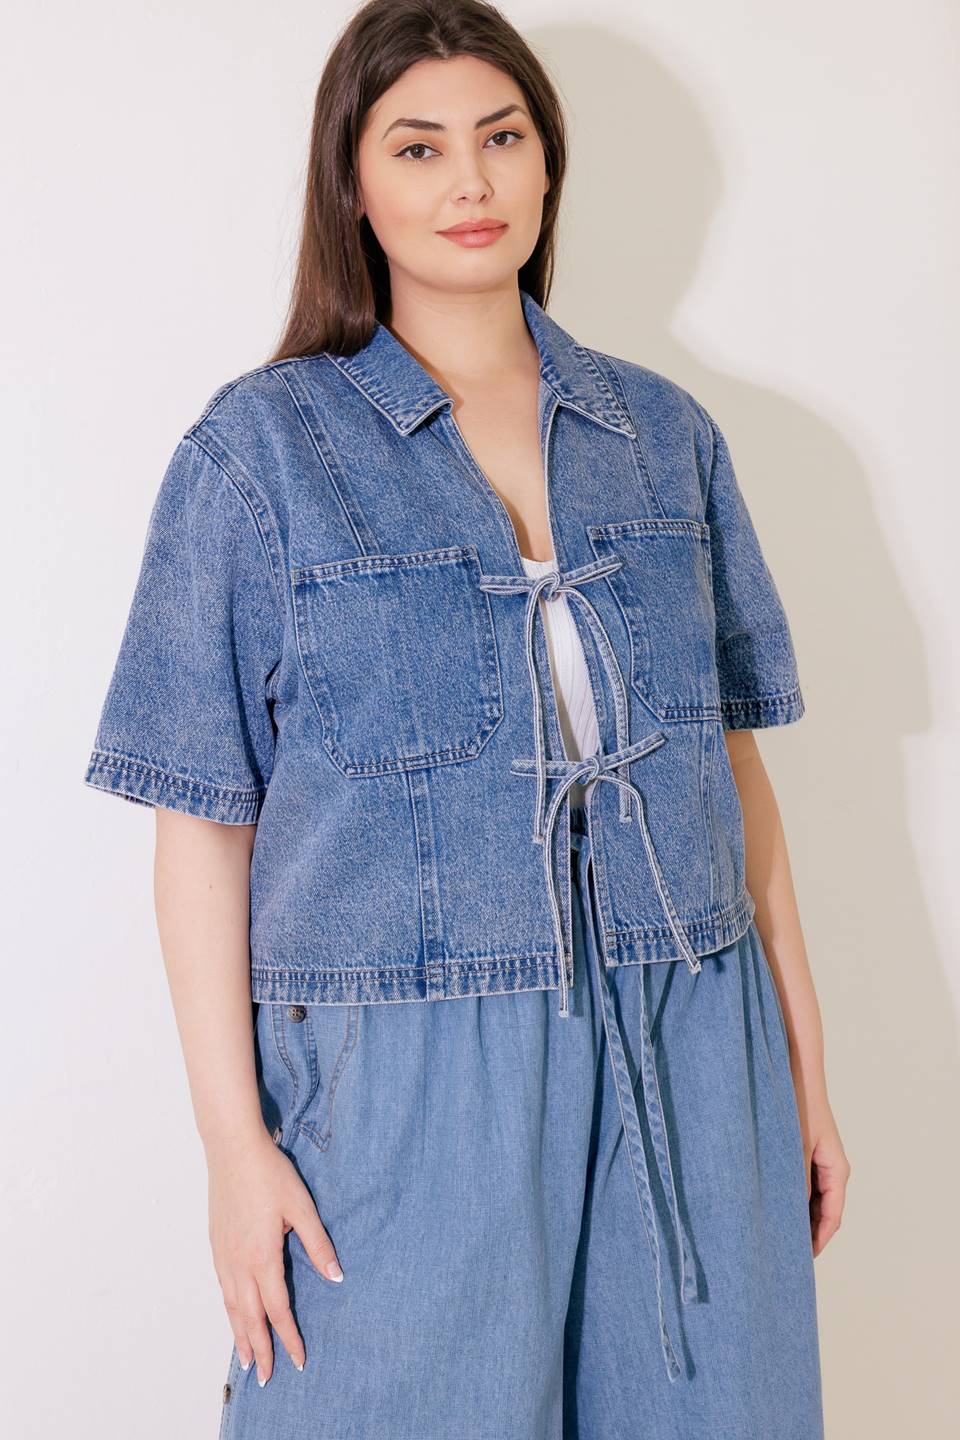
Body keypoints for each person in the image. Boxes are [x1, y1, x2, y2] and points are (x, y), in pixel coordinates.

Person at [82, 2, 850, 1435]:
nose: (471, 182)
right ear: (354, 183)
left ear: (548, 161)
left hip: (694, 1040)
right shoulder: (259, 453)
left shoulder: (666, 437)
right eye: (419, 147)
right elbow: (203, 827)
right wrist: (232, 1149)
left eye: (501, 138)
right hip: (402, 1076)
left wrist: (801, 1076)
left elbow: (733, 780)